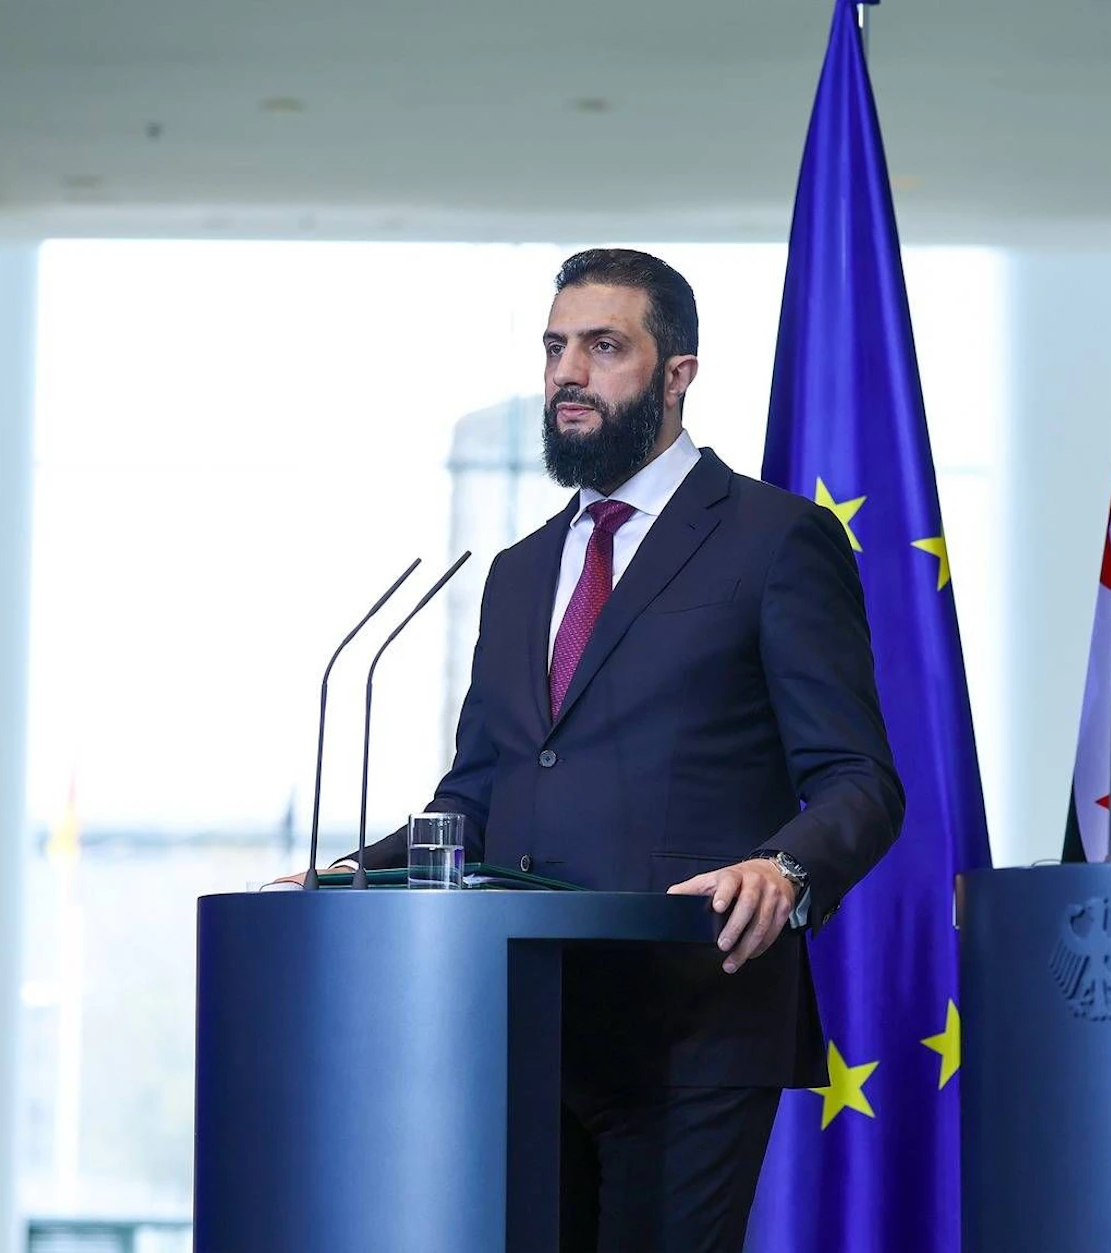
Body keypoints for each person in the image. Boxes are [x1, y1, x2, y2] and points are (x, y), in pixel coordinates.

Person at [308, 249, 903, 1251]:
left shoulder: (772, 539)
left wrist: (783, 864)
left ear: (677, 373)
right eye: (553, 348)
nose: (566, 373)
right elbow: (476, 793)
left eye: (602, 346)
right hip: (520, 1027)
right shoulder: (516, 570)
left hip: (690, 1024)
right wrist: (337, 880)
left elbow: (859, 778)